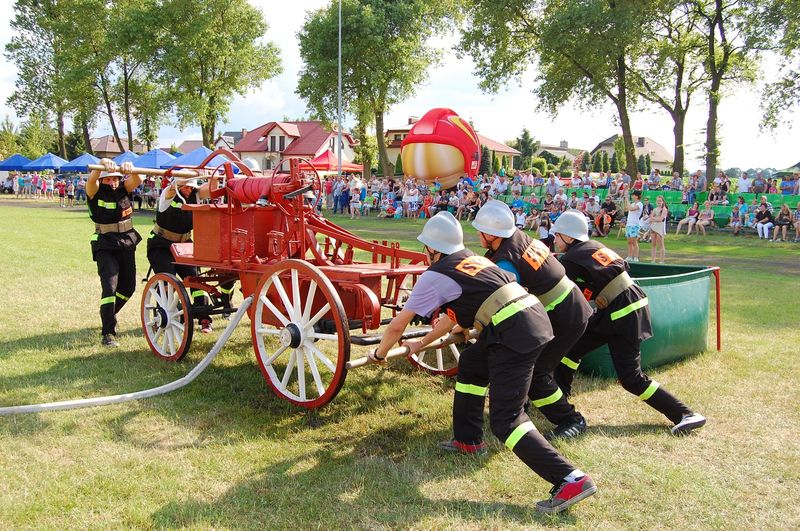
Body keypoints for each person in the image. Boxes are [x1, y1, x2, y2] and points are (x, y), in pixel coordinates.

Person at [367, 212, 597, 514]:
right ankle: (468, 439)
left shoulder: (435, 275)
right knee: (473, 364)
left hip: (515, 332)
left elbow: (397, 325)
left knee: (506, 420)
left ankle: (570, 479)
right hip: (529, 318)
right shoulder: (473, 260)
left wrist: (379, 354)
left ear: (433, 249)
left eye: (426, 247)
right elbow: (453, 320)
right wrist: (420, 344)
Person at [551, 210, 706, 435]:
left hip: (622, 311)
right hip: (622, 306)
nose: (554, 240)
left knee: (631, 378)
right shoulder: (593, 246)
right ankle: (560, 401)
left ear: (569, 237)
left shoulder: (572, 258)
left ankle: (684, 414)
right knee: (571, 349)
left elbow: (561, 291)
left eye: (557, 235)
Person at [472, 200, 595, 439]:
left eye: (479, 230)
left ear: (490, 233)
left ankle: (571, 419)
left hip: (565, 315)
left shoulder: (506, 260)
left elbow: (502, 297)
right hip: (569, 306)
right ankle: (521, 405)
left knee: (537, 372)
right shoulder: (519, 238)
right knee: (532, 366)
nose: (477, 234)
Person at [147, 175, 233, 333]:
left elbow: (212, 188)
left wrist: (209, 174)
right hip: (161, 244)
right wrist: (189, 175)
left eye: (191, 187)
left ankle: (204, 318)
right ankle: (164, 316)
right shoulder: (169, 194)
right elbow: (172, 187)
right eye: (186, 187)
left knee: (196, 279)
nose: (189, 190)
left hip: (184, 244)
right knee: (167, 280)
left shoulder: (195, 194)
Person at [87, 158, 143, 347]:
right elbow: (91, 181)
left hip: (126, 242)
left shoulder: (123, 189)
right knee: (110, 288)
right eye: (108, 179)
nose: (112, 182)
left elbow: (137, 180)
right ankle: (108, 332)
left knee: (128, 288)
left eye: (115, 179)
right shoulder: (95, 192)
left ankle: (108, 314)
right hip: (106, 244)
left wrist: (131, 168)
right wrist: (101, 165)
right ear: (103, 180)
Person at [624, 190, 643, 261]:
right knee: (629, 242)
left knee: (634, 242)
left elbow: (631, 209)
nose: (632, 196)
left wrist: (627, 200)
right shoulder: (632, 204)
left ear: (636, 196)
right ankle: (629, 256)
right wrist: (626, 201)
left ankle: (636, 257)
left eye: (633, 195)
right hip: (629, 224)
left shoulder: (640, 204)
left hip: (634, 225)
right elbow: (626, 209)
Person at [649, 196, 668, 263]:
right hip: (653, 227)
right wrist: (655, 219)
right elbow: (650, 218)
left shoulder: (664, 209)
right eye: (657, 201)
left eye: (660, 200)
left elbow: (661, 219)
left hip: (660, 228)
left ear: (662, 201)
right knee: (653, 244)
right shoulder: (655, 209)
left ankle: (661, 261)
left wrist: (654, 218)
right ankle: (653, 260)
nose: (659, 202)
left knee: (661, 245)